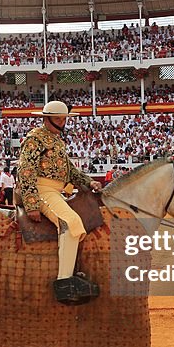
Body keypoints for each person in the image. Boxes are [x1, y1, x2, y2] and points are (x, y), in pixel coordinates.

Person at [18, 101, 103, 305]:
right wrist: (31, 203)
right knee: (70, 221)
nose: (62, 123)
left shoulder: (56, 141)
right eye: (58, 119)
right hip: (43, 191)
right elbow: (25, 170)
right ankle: (64, 284)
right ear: (46, 118)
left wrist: (88, 181)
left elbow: (70, 171)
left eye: (64, 119)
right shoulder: (35, 138)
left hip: (57, 191)